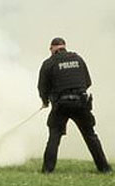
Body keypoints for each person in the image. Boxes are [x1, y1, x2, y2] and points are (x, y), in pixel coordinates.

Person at [38, 37, 111, 174]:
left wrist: (45, 101)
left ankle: (47, 170)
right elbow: (87, 82)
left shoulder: (49, 63)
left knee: (54, 136)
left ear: (53, 48)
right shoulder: (78, 59)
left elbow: (42, 87)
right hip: (81, 103)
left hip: (61, 105)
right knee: (90, 135)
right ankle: (104, 169)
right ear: (64, 46)